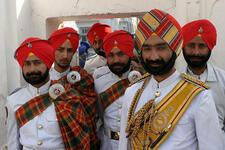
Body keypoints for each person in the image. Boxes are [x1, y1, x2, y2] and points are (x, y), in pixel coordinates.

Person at [119, 9, 223, 150]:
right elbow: (124, 145)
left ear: (175, 49)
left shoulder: (199, 95)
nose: (154, 56)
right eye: (147, 48)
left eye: (161, 48)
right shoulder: (132, 92)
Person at [6, 37, 92, 150]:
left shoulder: (69, 96)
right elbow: (13, 142)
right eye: (27, 64)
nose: (32, 69)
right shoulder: (13, 100)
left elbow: (79, 140)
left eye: (37, 63)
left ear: (48, 64)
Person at [48, 27, 99, 149]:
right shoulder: (44, 81)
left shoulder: (84, 79)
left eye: (69, 50)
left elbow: (91, 116)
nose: (65, 55)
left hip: (82, 142)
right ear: (52, 49)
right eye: (60, 49)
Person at [93, 30, 142, 150]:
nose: (116, 60)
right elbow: (97, 115)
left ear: (130, 54)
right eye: (111, 55)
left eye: (121, 54)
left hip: (135, 144)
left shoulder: (143, 80)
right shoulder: (98, 82)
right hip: (107, 144)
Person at [181, 19, 225, 132]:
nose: (196, 52)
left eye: (201, 46)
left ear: (210, 47)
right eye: (191, 45)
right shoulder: (174, 80)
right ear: (183, 47)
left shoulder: (223, 80)